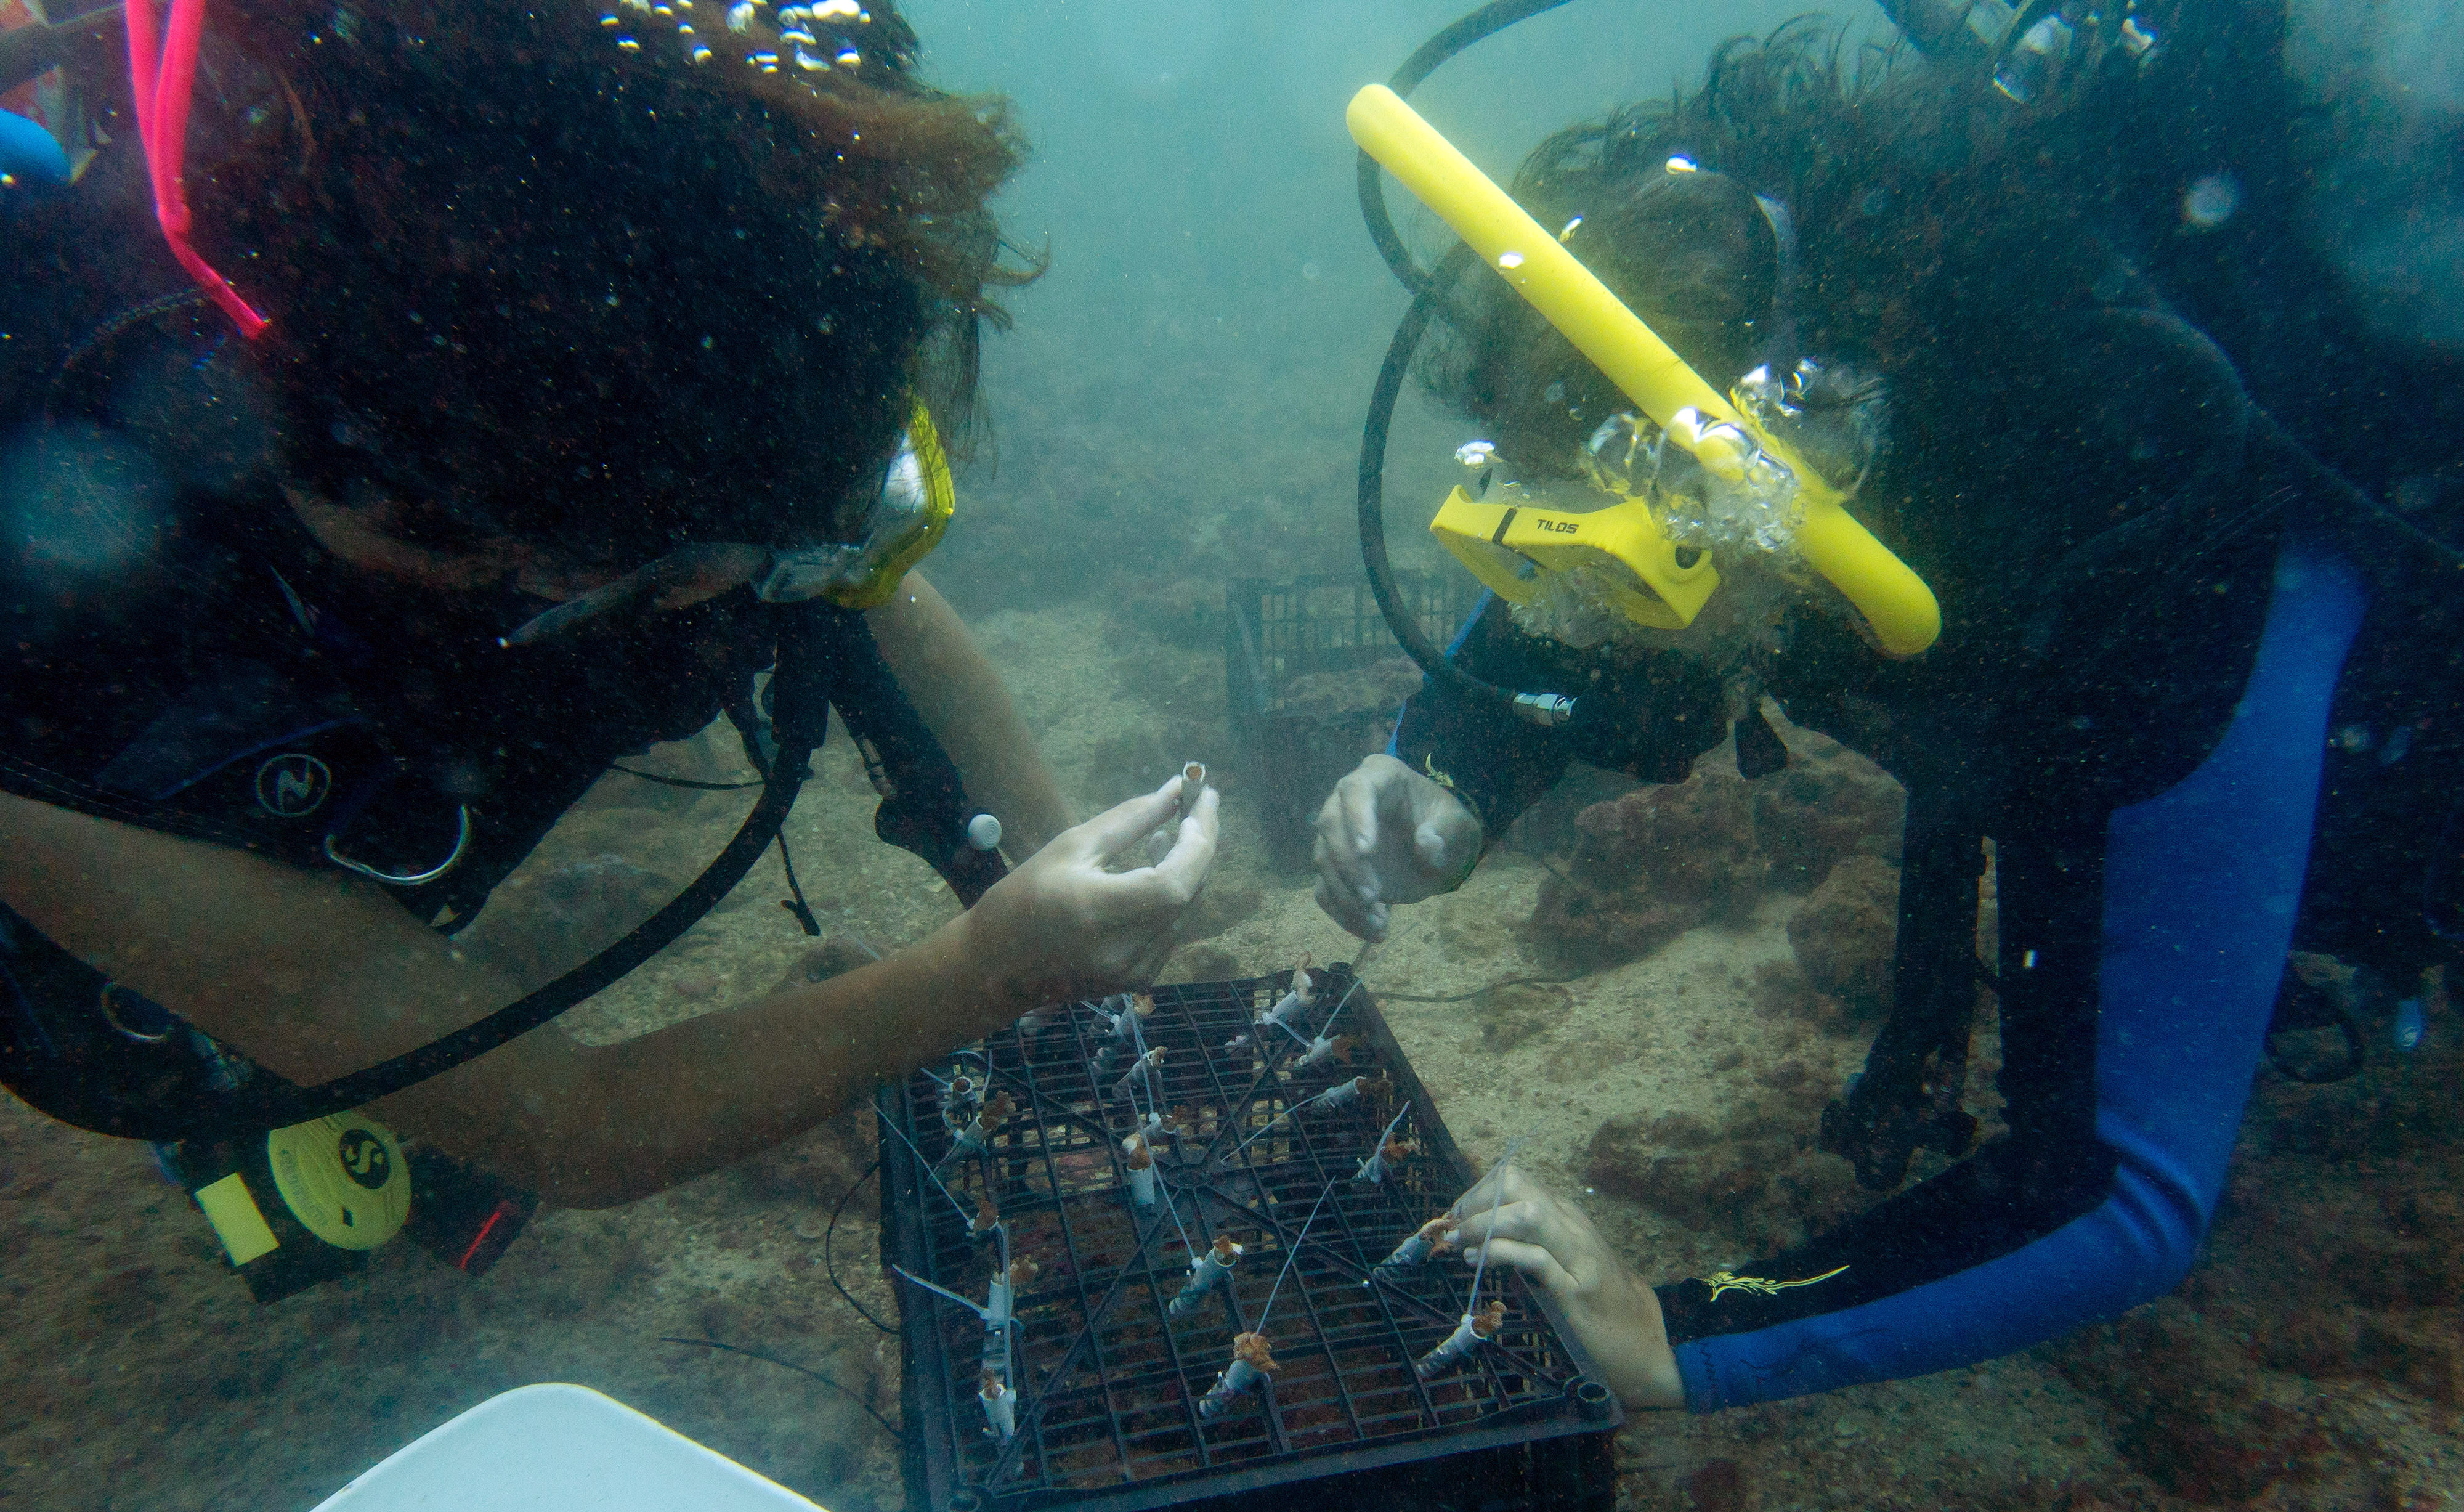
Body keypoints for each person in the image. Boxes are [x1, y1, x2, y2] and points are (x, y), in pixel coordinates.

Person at [1315, 0, 2463, 1411]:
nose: (1591, 604)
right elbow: (1645, 530)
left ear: (1804, 466)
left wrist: (1672, 1334)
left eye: (1640, 556)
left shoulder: (2165, 555)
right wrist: (1445, 762)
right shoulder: (1823, 407)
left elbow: (2119, 1196)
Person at [0, 0, 1218, 1296]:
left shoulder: (677, 313)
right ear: (489, 538)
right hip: (131, 880)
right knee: (226, 1048)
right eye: (694, 569)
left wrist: (1067, 884)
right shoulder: (60, 692)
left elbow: (858, 588)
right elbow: (570, 1124)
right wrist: (989, 973)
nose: (763, 589)